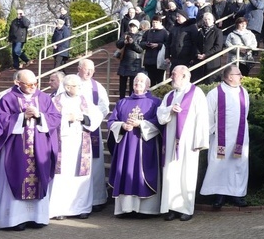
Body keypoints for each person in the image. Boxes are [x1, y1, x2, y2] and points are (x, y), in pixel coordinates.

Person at [0, 70, 60, 231]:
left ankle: (37, 218)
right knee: (15, 177)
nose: (33, 87)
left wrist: (40, 116)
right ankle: (14, 220)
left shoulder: (43, 98)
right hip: (15, 150)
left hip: (39, 148)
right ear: (18, 83)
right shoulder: (8, 99)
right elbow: (1, 120)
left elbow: (56, 118)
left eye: (35, 83)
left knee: (38, 178)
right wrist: (22, 117)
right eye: (29, 84)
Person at [157, 65, 209, 221]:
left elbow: (202, 117)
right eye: (172, 74)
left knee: (187, 174)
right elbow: (160, 114)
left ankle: (186, 208)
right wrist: (170, 110)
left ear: (185, 76)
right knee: (171, 174)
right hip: (171, 140)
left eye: (174, 74)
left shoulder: (196, 93)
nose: (172, 77)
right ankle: (171, 208)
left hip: (189, 142)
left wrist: (200, 141)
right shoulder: (169, 96)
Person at [107, 73, 163, 217]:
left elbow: (159, 122)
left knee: (141, 174)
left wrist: (141, 124)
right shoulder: (122, 102)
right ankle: (125, 209)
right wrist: (122, 126)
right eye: (136, 81)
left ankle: (145, 210)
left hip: (145, 146)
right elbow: (111, 121)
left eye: (141, 81)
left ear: (148, 85)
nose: (137, 83)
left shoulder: (155, 102)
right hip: (126, 146)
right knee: (126, 173)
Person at [49, 75, 104, 220]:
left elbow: (97, 115)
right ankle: (60, 209)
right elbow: (50, 120)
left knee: (81, 176)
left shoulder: (84, 100)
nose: (80, 88)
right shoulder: (55, 101)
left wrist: (83, 118)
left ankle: (82, 208)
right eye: (77, 86)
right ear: (67, 87)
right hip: (63, 144)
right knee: (63, 177)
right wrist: (66, 118)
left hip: (81, 143)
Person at [200, 66, 250, 209]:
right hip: (220, 138)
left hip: (240, 137)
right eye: (238, 74)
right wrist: (213, 131)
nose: (241, 76)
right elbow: (208, 115)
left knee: (238, 165)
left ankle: (237, 194)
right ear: (229, 77)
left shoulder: (244, 92)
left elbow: (245, 113)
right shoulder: (215, 94)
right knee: (219, 165)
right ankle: (219, 195)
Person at [76, 59, 110, 211]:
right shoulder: (71, 82)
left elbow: (104, 106)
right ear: (79, 68)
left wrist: (92, 117)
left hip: (92, 129)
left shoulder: (98, 87)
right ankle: (75, 200)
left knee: (94, 165)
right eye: (86, 69)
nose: (89, 72)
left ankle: (96, 199)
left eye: (92, 70)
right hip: (74, 131)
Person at [115, 20, 144, 99]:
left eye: (134, 27)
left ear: (137, 27)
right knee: (122, 85)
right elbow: (118, 44)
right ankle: (121, 100)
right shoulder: (125, 34)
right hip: (124, 62)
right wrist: (124, 42)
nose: (132, 28)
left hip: (135, 63)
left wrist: (132, 43)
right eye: (131, 26)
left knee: (133, 85)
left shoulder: (141, 36)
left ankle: (131, 100)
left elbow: (140, 49)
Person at [194, 12, 224, 83]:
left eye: (209, 19)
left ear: (213, 20)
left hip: (212, 61)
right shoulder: (200, 31)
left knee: (211, 81)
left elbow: (218, 46)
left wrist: (206, 54)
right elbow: (195, 44)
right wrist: (197, 54)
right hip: (200, 61)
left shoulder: (218, 32)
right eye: (205, 19)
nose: (207, 21)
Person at [140, 15, 169, 86]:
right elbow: (141, 43)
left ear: (160, 23)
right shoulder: (148, 32)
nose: (154, 24)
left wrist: (158, 45)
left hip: (159, 60)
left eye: (156, 22)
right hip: (149, 60)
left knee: (159, 80)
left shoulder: (165, 33)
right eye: (153, 22)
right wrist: (147, 44)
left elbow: (168, 44)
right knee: (150, 80)